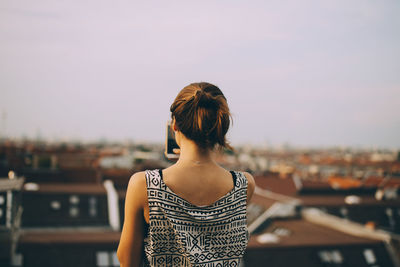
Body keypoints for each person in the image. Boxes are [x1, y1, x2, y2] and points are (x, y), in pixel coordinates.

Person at [117, 82, 255, 266]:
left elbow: (127, 260)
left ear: (174, 125)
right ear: (220, 128)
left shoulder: (144, 185)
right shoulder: (244, 184)